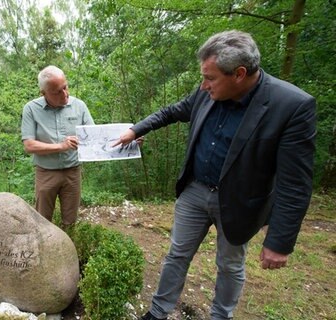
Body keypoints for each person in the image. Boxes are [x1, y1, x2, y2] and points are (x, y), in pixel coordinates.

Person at [112, 30, 316, 320]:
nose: (203, 85)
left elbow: (295, 184)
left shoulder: (291, 106)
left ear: (239, 74)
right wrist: (136, 129)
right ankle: (158, 312)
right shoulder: (207, 90)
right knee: (176, 255)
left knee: (230, 265)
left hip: (240, 202)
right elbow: (174, 111)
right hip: (195, 190)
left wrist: (279, 242)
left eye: (210, 78)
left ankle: (221, 316)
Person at [21, 65, 95, 226]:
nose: (65, 94)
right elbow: (29, 146)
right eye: (57, 92)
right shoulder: (31, 109)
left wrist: (130, 140)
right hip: (46, 173)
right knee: (42, 220)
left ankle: (68, 250)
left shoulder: (79, 106)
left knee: (70, 221)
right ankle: (43, 250)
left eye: (65, 87)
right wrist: (62, 146)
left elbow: (96, 138)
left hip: (73, 172)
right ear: (44, 93)